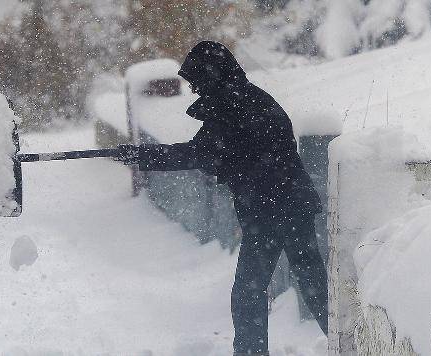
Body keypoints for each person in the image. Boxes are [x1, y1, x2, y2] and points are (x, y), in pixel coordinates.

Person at [116, 41, 329, 356]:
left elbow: (200, 153)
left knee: (249, 294)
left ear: (211, 76)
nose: (195, 90)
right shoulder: (248, 99)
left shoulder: (234, 105)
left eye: (197, 81)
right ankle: (351, 344)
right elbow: (215, 151)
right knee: (314, 287)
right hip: (288, 205)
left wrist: (145, 156)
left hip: (269, 211)